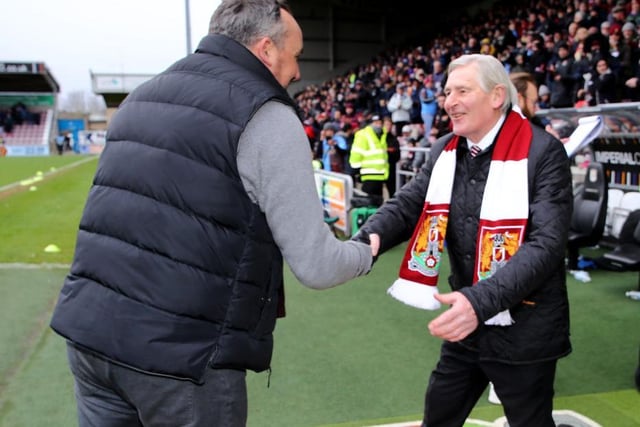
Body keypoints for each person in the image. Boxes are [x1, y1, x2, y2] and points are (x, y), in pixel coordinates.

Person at [49, 1, 373, 426]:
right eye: (294, 55)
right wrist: (368, 249)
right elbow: (317, 266)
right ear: (265, 50)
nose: (296, 71)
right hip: (182, 360)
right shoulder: (268, 116)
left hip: (90, 337)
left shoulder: (139, 98)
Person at [354, 54, 573, 427]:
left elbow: (547, 244)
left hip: (525, 329)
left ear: (496, 96)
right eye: (446, 92)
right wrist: (364, 242)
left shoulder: (543, 152)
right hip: (468, 322)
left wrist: (478, 301)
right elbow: (408, 205)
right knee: (439, 416)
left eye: (462, 91)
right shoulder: (444, 150)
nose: (449, 101)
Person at [349, 114, 388, 204]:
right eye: (375, 122)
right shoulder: (363, 135)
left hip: (380, 175)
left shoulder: (383, 135)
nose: (378, 124)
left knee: (378, 204)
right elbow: (356, 153)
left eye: (379, 122)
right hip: (368, 175)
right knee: (369, 203)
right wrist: (356, 170)